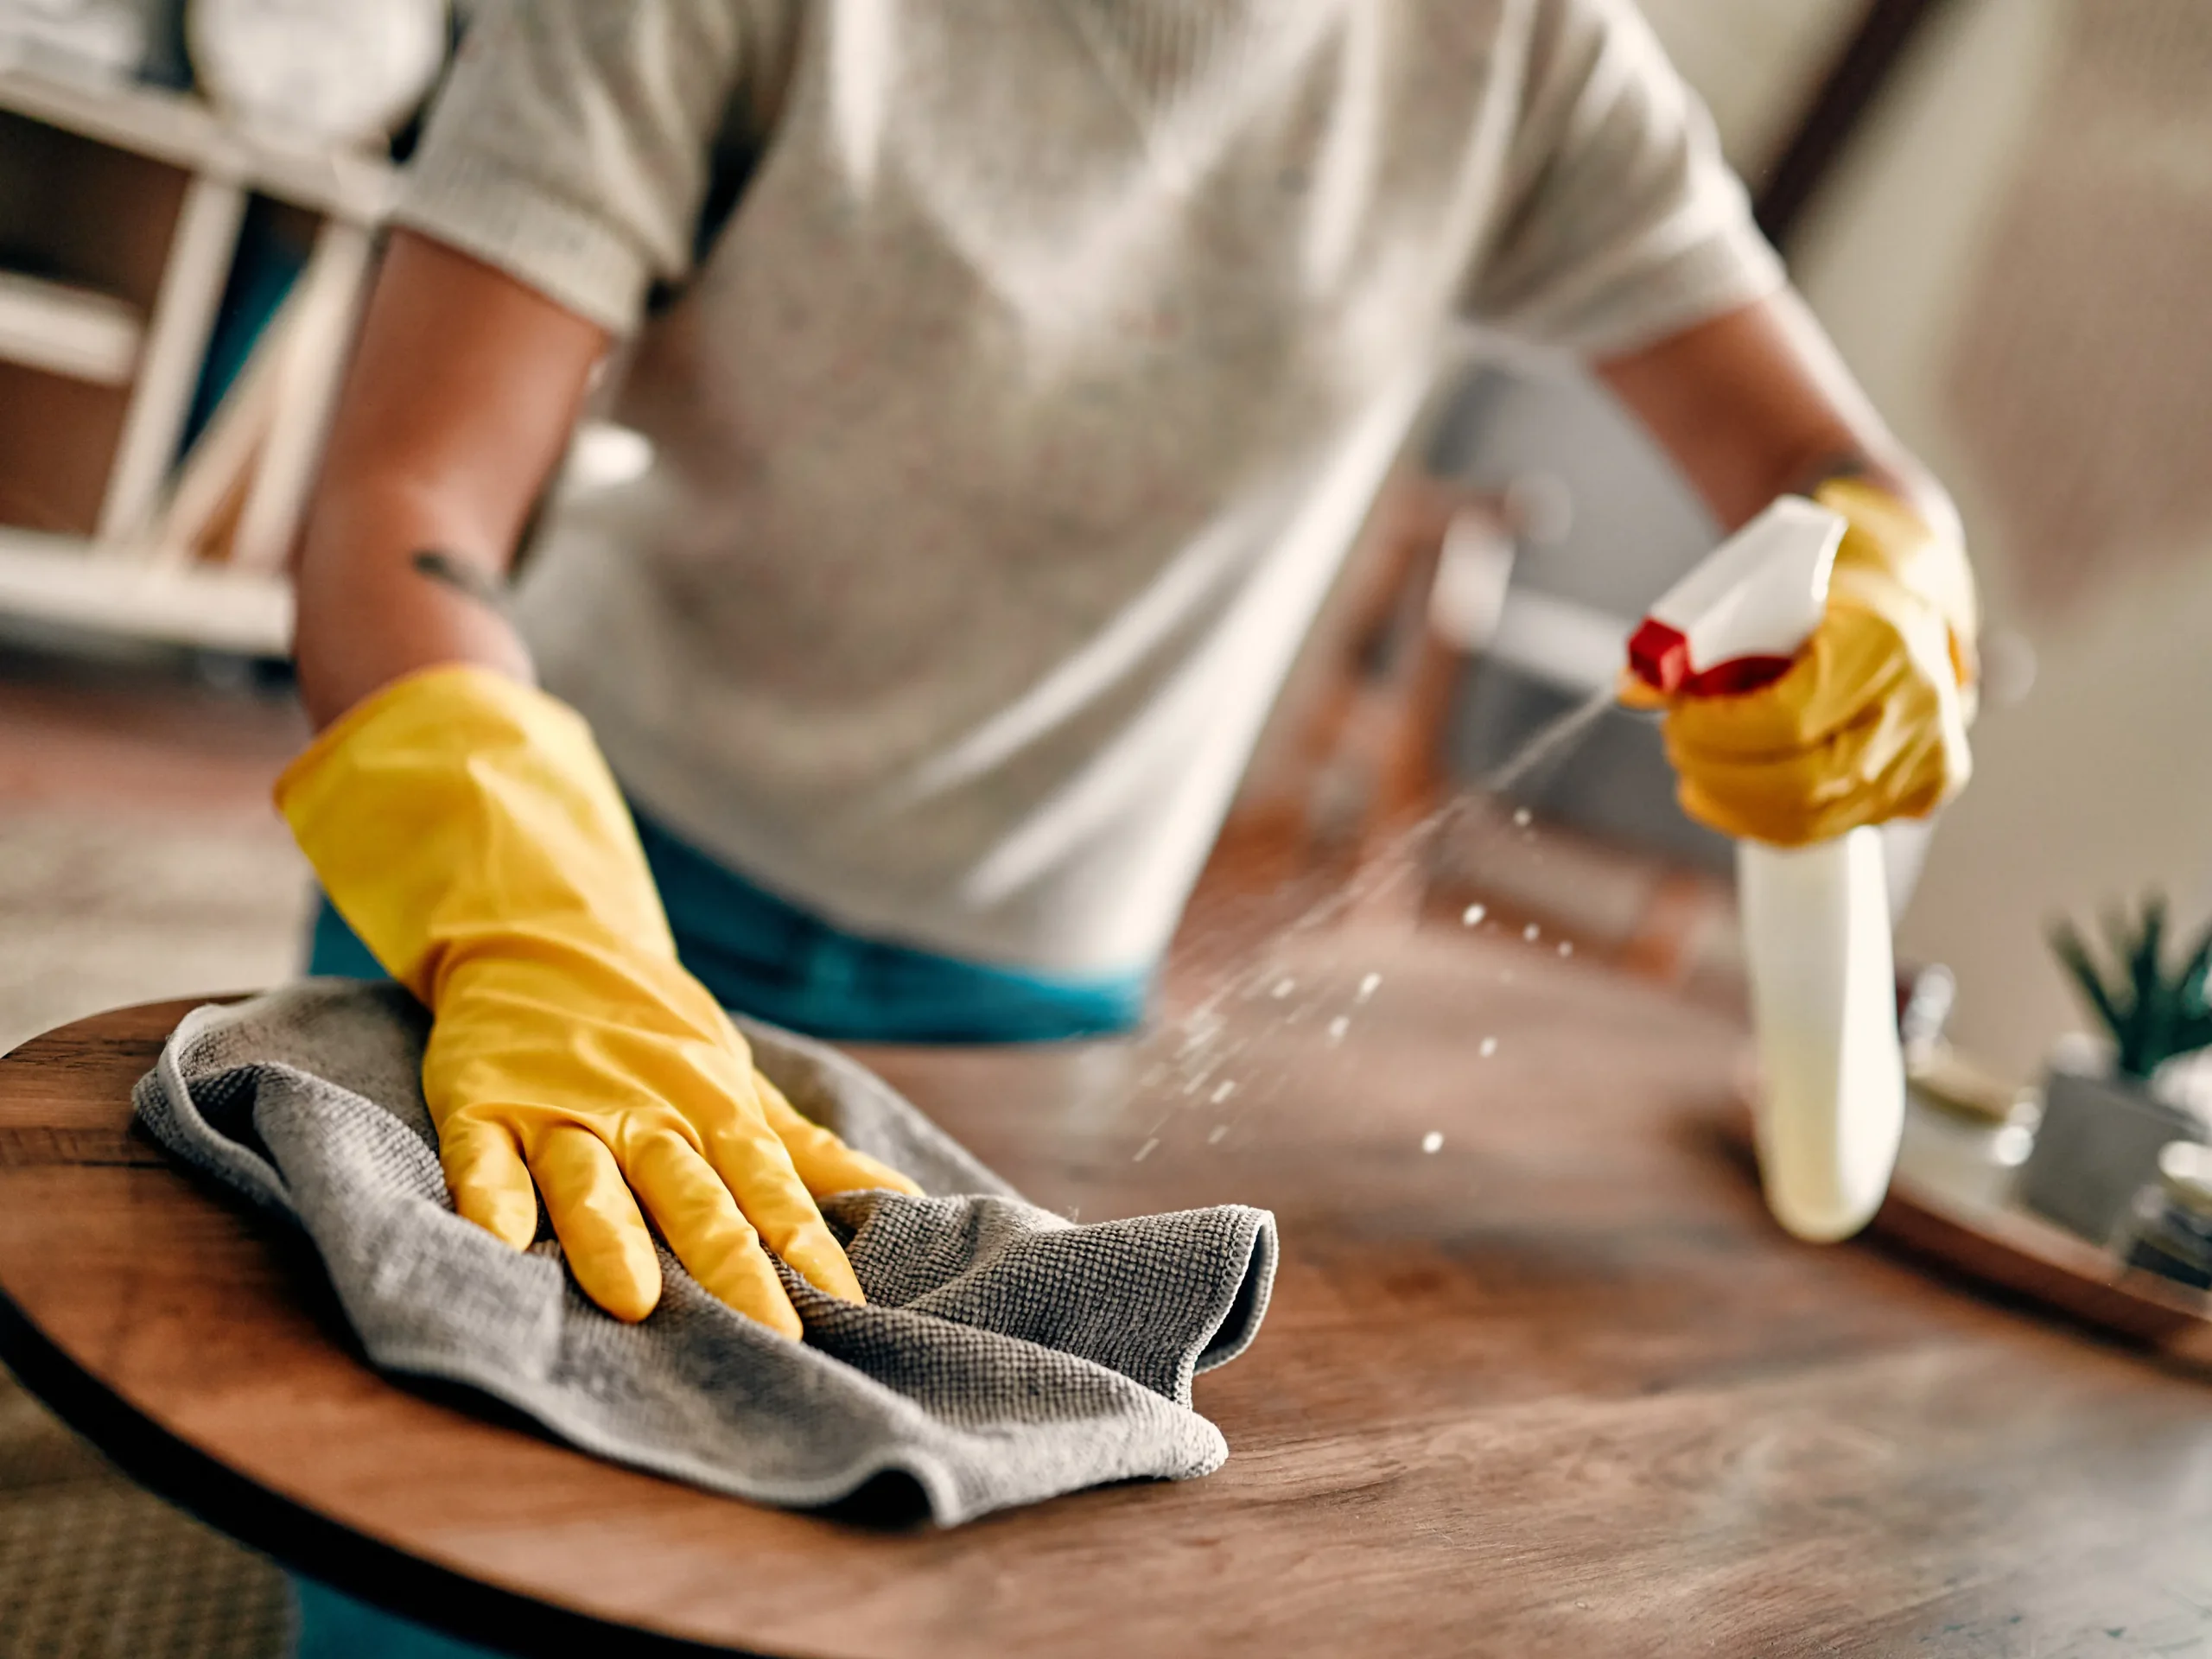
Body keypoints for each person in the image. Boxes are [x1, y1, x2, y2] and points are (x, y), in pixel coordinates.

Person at [278, 2, 1974, 1649]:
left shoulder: (1514, 44)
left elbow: (1838, 467)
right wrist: (536, 926)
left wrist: (1897, 578)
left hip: (1024, 1023)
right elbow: (405, 496)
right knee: (444, 1565)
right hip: (535, 907)